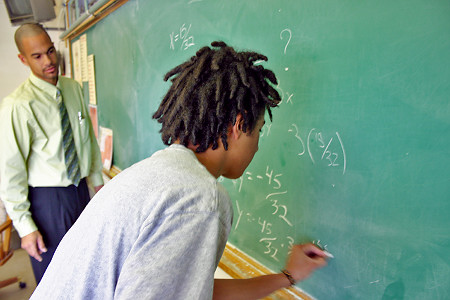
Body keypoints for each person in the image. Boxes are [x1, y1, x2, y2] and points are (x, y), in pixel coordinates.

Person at [30, 41, 328, 299]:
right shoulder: (200, 199)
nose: (258, 146)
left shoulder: (159, 171)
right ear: (239, 124)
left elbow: (190, 289)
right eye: (259, 131)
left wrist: (287, 277)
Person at [0, 23, 104, 284]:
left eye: (50, 51)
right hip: (47, 201)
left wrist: (98, 184)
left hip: (80, 191)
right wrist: (25, 227)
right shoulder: (17, 106)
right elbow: (10, 172)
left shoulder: (72, 89)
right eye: (37, 56)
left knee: (88, 266)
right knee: (55, 279)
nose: (48, 61)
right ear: (23, 59)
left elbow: (87, 139)